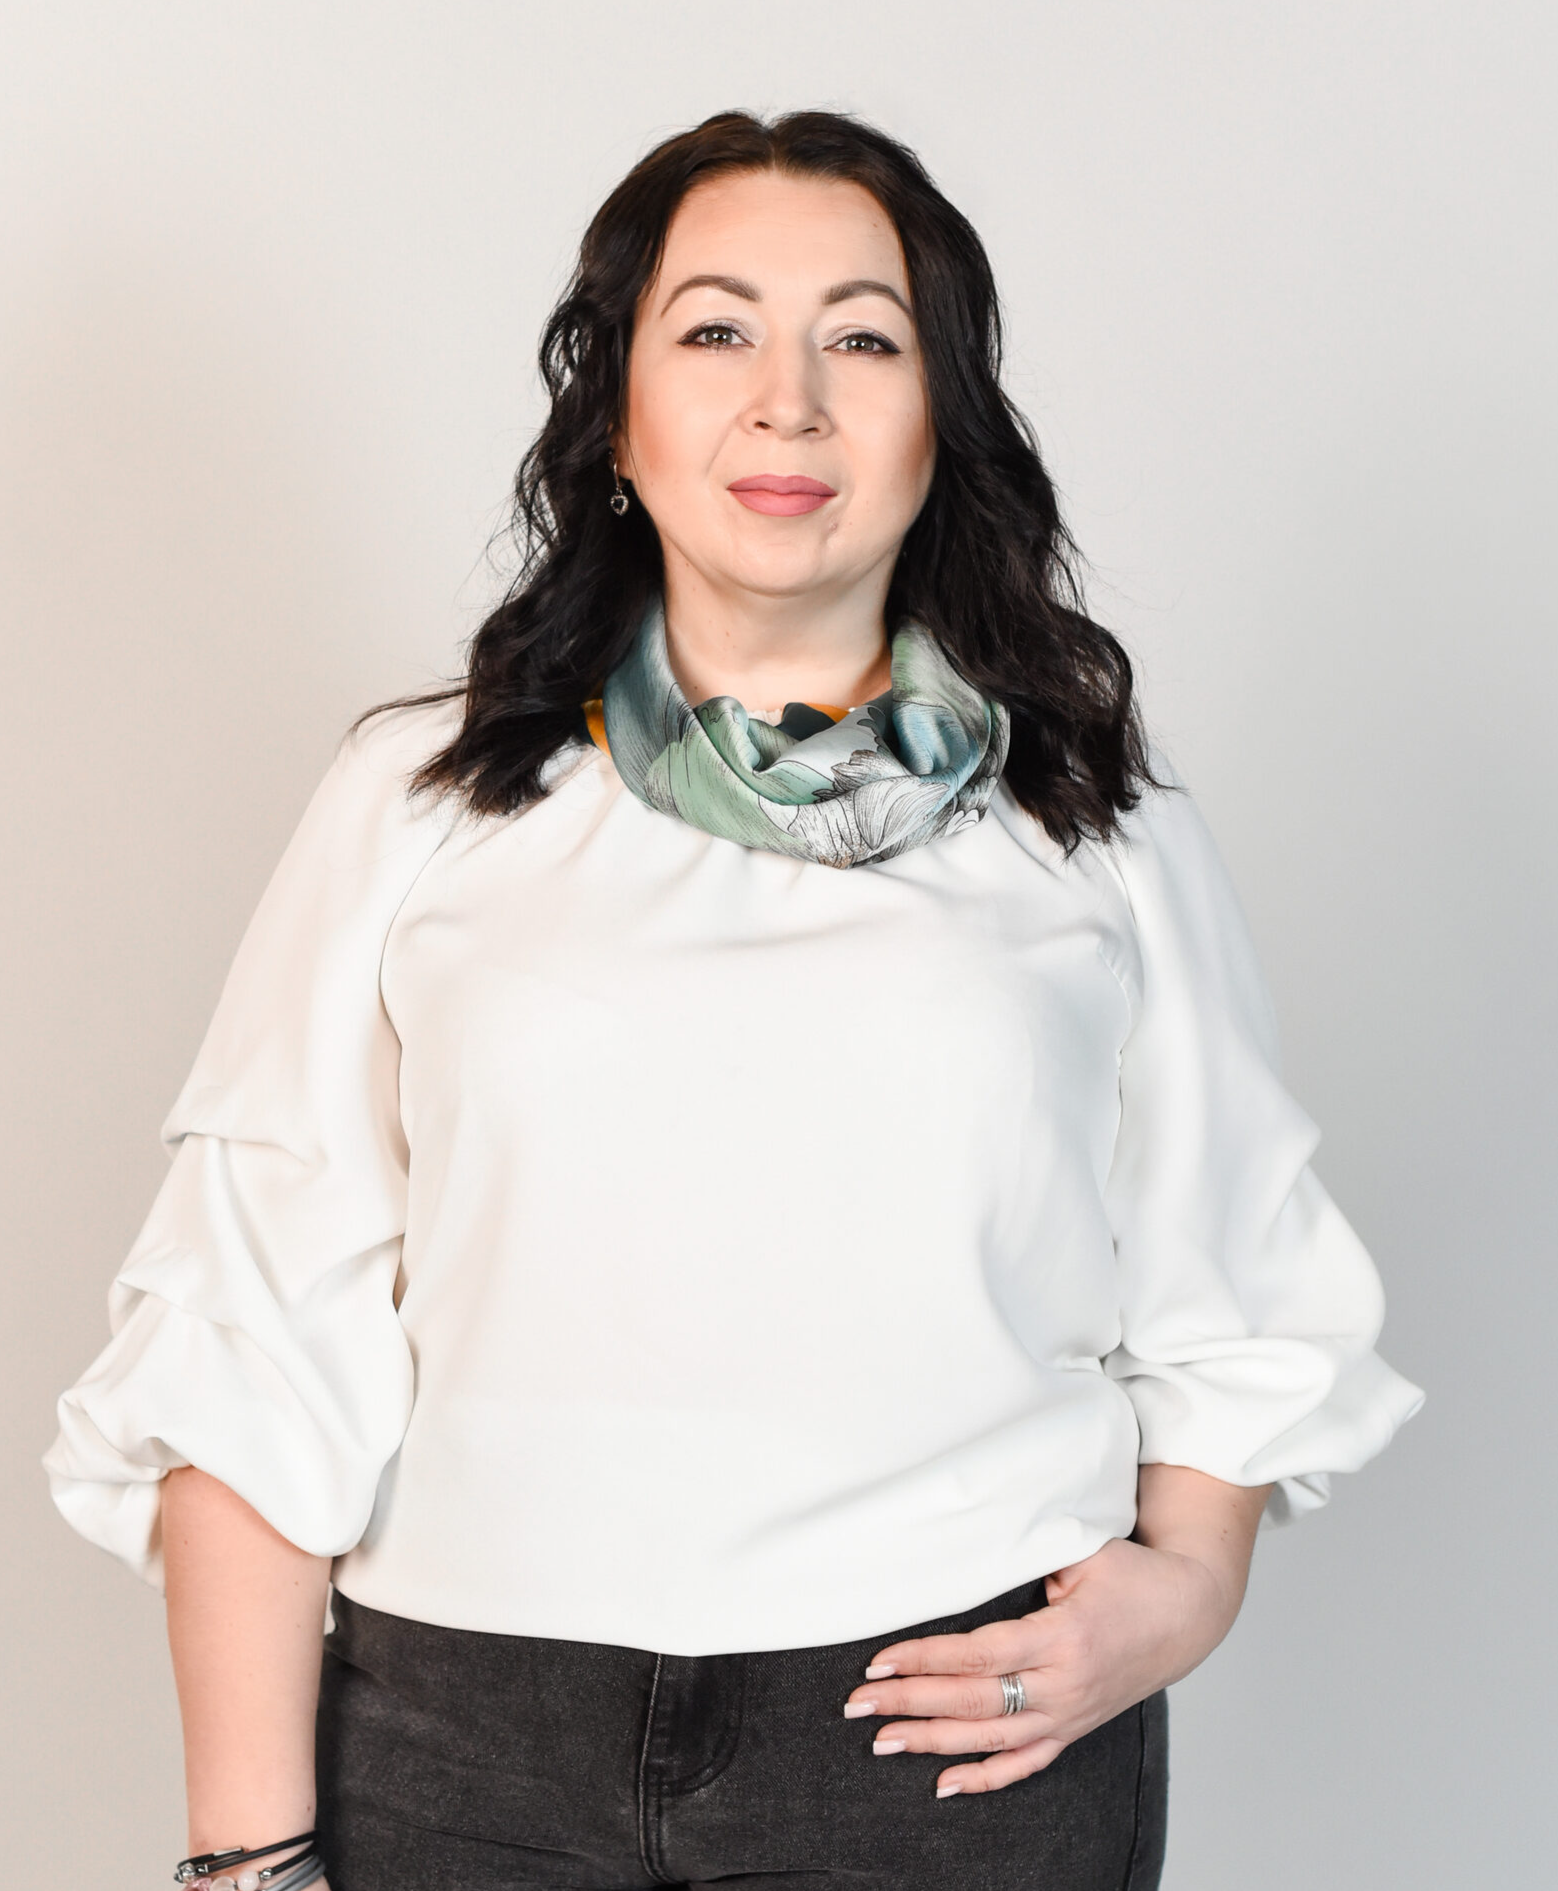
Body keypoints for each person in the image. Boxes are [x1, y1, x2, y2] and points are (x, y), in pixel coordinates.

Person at [44, 108, 1424, 1891]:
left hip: (945, 1750)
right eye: (713, 331)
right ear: (616, 416)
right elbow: (250, 1342)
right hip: (463, 1753)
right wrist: (247, 1863)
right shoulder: (422, 801)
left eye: (863, 338)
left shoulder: (1090, 827)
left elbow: (1227, 1281)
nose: (789, 403)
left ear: (942, 423)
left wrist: (1185, 1591)